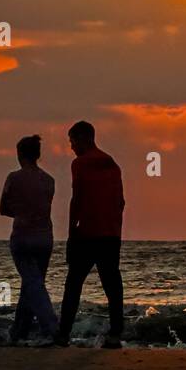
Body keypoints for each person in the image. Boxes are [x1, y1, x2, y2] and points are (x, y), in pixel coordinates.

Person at [55, 120, 126, 348]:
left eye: (73, 141)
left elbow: (77, 198)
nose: (72, 147)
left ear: (84, 138)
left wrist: (71, 232)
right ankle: (116, 334)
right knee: (112, 285)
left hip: (87, 233)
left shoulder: (80, 164)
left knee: (73, 284)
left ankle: (63, 334)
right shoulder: (112, 164)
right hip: (111, 234)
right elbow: (121, 202)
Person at [0, 134, 58, 342]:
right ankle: (19, 331)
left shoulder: (13, 178)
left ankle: (51, 327)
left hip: (23, 236)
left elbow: (3, 208)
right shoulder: (49, 181)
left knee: (33, 284)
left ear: (20, 155)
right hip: (45, 237)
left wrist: (21, 211)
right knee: (32, 283)